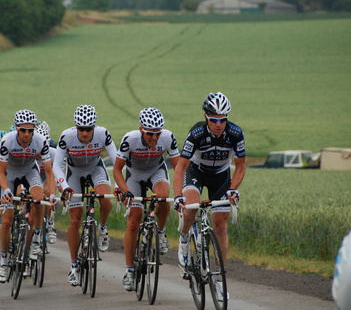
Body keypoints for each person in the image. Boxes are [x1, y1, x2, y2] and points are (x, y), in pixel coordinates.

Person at [173, 92, 246, 301]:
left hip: (221, 176)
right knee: (191, 208)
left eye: (223, 120)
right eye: (214, 120)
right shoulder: (196, 133)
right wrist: (178, 196)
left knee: (221, 226)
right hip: (195, 172)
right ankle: (185, 237)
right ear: (206, 117)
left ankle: (220, 279)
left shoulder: (235, 133)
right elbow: (180, 168)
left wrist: (233, 188)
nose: (219, 124)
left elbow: (240, 166)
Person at [113, 107, 180, 291]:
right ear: (142, 129)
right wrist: (125, 191)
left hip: (156, 172)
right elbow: (117, 170)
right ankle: (129, 270)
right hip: (134, 176)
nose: (154, 138)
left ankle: (160, 231)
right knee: (134, 221)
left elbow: (179, 168)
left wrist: (182, 192)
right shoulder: (130, 139)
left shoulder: (167, 137)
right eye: (150, 134)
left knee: (163, 198)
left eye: (158, 134)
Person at [53, 105, 117, 286]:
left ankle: (103, 229)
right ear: (76, 127)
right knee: (75, 220)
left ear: (94, 127)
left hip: (96, 169)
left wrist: (119, 185)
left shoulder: (103, 133)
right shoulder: (67, 136)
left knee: (105, 199)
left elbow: (117, 160)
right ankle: (74, 267)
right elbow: (57, 166)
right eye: (81, 128)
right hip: (74, 173)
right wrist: (65, 187)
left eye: (88, 129)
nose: (85, 133)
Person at [0, 110, 56, 283]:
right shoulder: (7, 140)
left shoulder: (41, 142)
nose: (27, 134)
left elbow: (49, 172)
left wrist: (51, 194)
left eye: (30, 130)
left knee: (39, 199)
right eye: (23, 130)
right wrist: (5, 190)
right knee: (6, 221)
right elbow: (0, 171)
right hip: (10, 175)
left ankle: (36, 238)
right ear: (16, 129)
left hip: (30, 172)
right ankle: (4, 262)